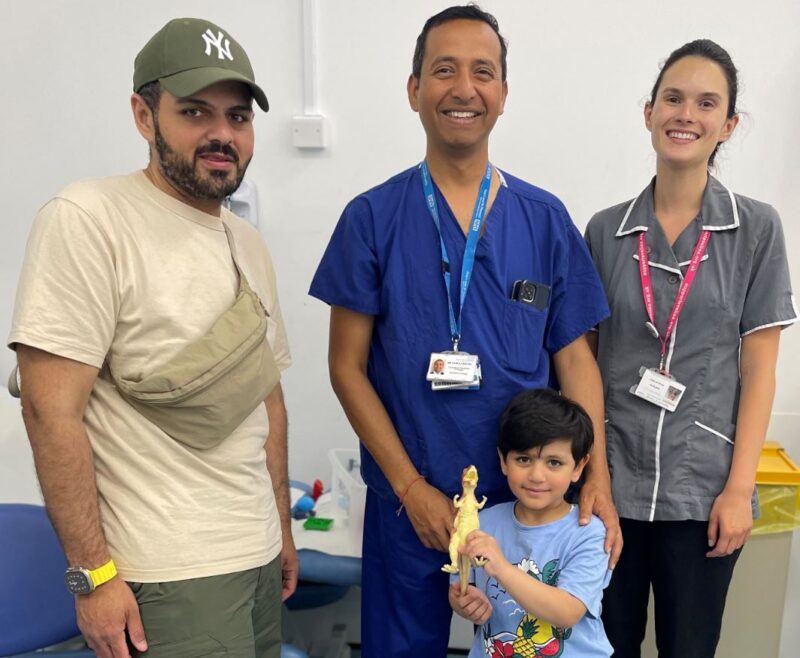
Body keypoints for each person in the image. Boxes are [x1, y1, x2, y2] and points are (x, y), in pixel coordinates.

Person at [309, 6, 619, 656]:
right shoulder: (372, 219)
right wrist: (410, 488)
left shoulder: (544, 220)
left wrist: (596, 482)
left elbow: (576, 361)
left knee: (526, 646)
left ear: (503, 94)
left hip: (530, 505)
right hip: (410, 499)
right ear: (414, 87)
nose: (464, 88)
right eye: (443, 69)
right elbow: (347, 367)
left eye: (483, 72)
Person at [8, 18, 296, 658]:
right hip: (166, 574)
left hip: (254, 558)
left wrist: (280, 527)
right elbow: (49, 411)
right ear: (144, 114)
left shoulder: (247, 244)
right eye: (195, 112)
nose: (223, 133)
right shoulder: (87, 219)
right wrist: (93, 577)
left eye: (238, 116)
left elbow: (266, 400)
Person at [584, 39, 797, 657]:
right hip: (612, 489)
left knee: (689, 648)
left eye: (708, 104)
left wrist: (738, 490)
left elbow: (759, 371)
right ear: (648, 111)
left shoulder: (756, 229)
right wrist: (590, 480)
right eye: (673, 98)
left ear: (728, 124)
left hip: (703, 490)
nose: (686, 114)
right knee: (606, 645)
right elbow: (584, 367)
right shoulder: (604, 231)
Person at [452, 388, 612, 658]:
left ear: (578, 467)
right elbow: (459, 588)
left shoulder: (589, 533)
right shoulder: (481, 522)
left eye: (554, 462)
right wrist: (463, 602)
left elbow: (567, 611)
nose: (537, 475)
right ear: (503, 460)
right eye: (523, 459)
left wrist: (501, 568)